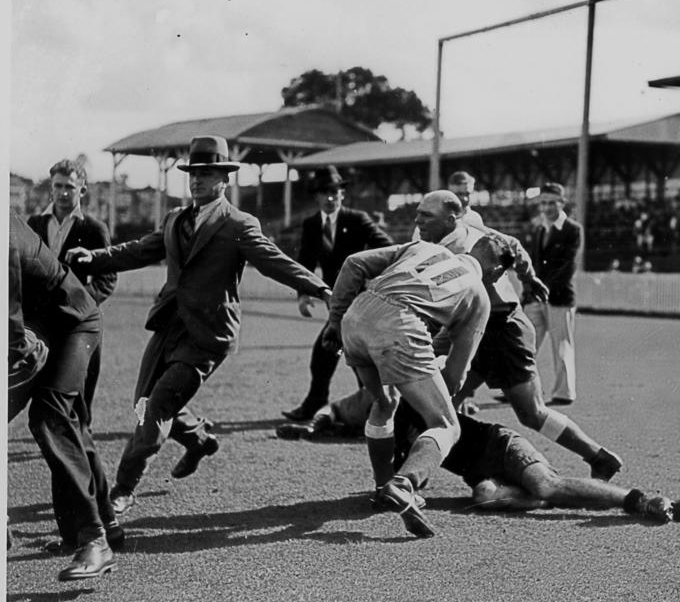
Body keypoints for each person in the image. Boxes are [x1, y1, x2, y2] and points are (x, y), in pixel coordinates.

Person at [68, 136, 333, 517]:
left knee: (157, 406)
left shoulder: (239, 224)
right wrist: (93, 258)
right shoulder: (176, 218)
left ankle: (123, 488)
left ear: (224, 179)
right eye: (194, 174)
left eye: (207, 174)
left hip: (208, 335)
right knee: (145, 403)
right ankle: (199, 440)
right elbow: (140, 249)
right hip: (168, 326)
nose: (197, 181)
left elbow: (276, 261)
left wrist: (320, 287)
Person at [414, 190, 624, 481]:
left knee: (531, 413)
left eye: (426, 216)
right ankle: (418, 472)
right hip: (472, 330)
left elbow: (510, 247)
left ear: (450, 219)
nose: (418, 220)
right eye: (419, 213)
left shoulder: (467, 241)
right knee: (442, 401)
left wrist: (529, 277)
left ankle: (599, 457)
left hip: (501, 331)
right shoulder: (435, 237)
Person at [321, 232, 514, 537]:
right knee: (447, 425)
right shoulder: (478, 295)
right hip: (399, 327)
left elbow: (353, 263)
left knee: (384, 402)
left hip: (356, 317)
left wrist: (334, 320)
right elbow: (456, 376)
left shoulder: (424, 247)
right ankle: (404, 483)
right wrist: (436, 384)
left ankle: (383, 486)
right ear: (497, 271)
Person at [9, 214, 122, 581]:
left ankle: (95, 541)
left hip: (75, 321)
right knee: (70, 422)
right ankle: (108, 522)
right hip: (40, 325)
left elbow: (9, 310)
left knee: (50, 416)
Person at [392, 401, 672, 523]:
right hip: (479, 473)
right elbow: (420, 475)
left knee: (546, 484)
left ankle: (639, 500)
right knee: (484, 496)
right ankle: (544, 500)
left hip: (501, 445)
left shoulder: (421, 397)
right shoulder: (397, 424)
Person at [282, 165, 392, 421]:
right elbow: (305, 261)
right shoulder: (311, 225)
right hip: (336, 303)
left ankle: (370, 406)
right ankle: (365, 405)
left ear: (342, 194)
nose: (330, 197)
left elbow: (387, 247)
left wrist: (368, 274)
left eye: (334, 191)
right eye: (324, 192)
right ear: (316, 196)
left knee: (335, 352)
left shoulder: (358, 220)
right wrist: (303, 293)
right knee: (338, 353)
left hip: (361, 301)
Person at [28, 159, 117, 421]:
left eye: (70, 186)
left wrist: (81, 305)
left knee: (81, 391)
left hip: (79, 322)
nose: (64, 192)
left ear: (82, 190)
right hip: (41, 321)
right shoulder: (34, 224)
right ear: (51, 188)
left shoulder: (94, 229)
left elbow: (107, 279)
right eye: (58, 186)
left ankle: (81, 439)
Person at [523, 182, 580, 405]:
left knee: (561, 346)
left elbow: (567, 266)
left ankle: (564, 393)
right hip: (536, 298)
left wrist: (542, 289)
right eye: (543, 202)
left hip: (559, 297)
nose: (546, 207)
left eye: (550, 202)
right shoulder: (539, 229)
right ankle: (519, 389)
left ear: (562, 203)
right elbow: (534, 265)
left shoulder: (572, 230)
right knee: (525, 343)